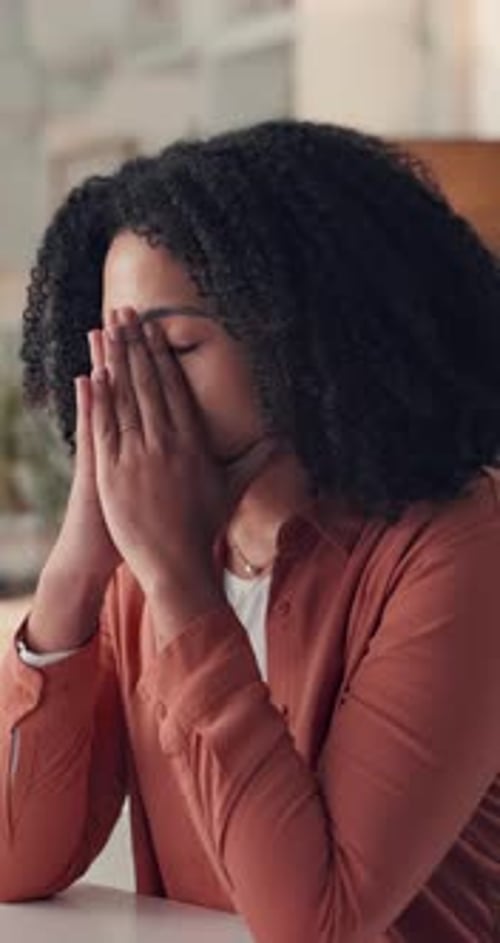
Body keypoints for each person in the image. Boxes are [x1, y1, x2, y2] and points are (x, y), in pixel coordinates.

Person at [1, 118, 500, 943]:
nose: (130, 384)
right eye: (111, 352)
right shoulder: (151, 556)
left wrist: (179, 590)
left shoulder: (457, 551)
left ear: (311, 339)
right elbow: (15, 860)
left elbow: (317, 920)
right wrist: (76, 572)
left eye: (173, 344)